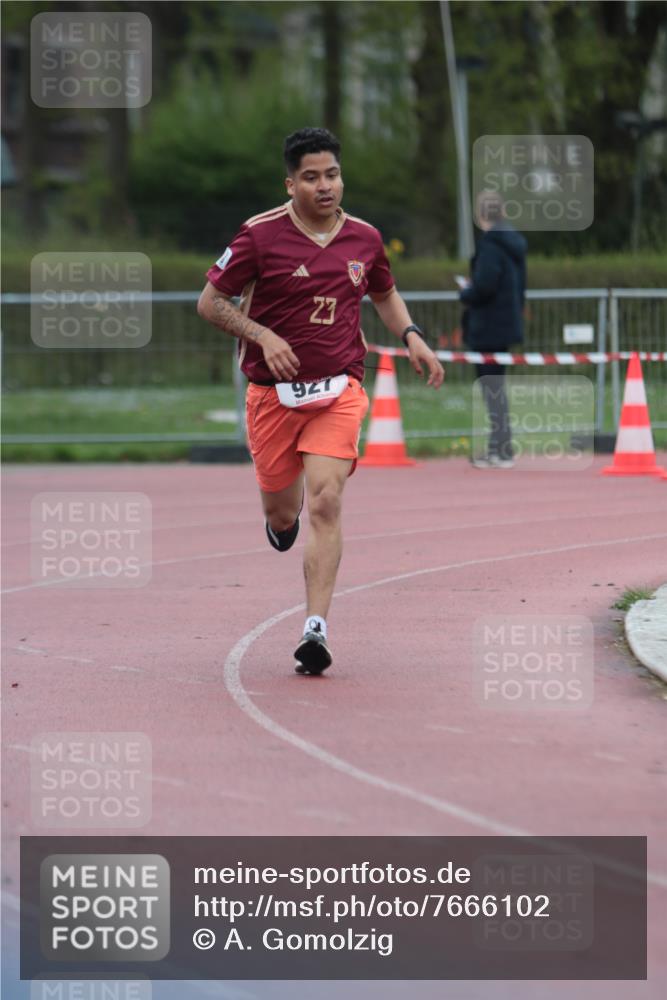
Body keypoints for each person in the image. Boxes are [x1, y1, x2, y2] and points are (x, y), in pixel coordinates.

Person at [197, 127, 444, 675]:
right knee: (285, 514)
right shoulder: (259, 236)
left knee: (327, 500)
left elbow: (383, 292)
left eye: (331, 174)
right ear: (292, 183)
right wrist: (261, 334)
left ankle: (316, 628)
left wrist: (412, 337)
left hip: (339, 389)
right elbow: (210, 303)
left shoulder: (365, 238)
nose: (324, 185)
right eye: (311, 177)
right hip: (272, 397)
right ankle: (281, 525)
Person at [459, 190, 527, 468]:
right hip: (506, 322)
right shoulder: (513, 243)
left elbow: (486, 285)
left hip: (488, 326)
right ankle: (502, 447)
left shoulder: (490, 245)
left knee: (491, 389)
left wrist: (466, 292)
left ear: (480, 215)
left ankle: (501, 449)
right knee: (496, 388)